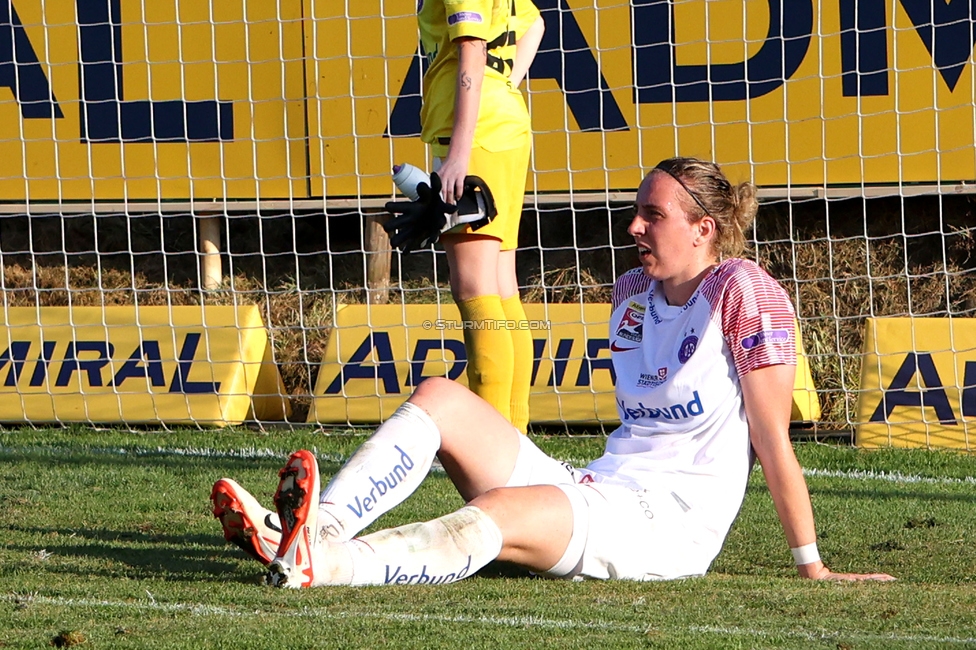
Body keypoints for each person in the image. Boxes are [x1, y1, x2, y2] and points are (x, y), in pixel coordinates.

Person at [211, 157, 895, 587]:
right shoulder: (631, 294)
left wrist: (813, 563)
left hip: (667, 525)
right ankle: (317, 528)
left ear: (704, 228)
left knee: (496, 515)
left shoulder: (744, 290)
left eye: (651, 215)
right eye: (636, 212)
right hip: (602, 486)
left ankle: (325, 568)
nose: (633, 226)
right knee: (442, 396)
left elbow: (773, 443)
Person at [414, 0, 544, 433]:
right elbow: (535, 24)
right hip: (504, 127)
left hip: (475, 135)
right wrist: (504, 86)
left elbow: (471, 47)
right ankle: (515, 439)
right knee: (501, 288)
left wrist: (459, 152)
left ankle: (495, 449)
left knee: (474, 290)